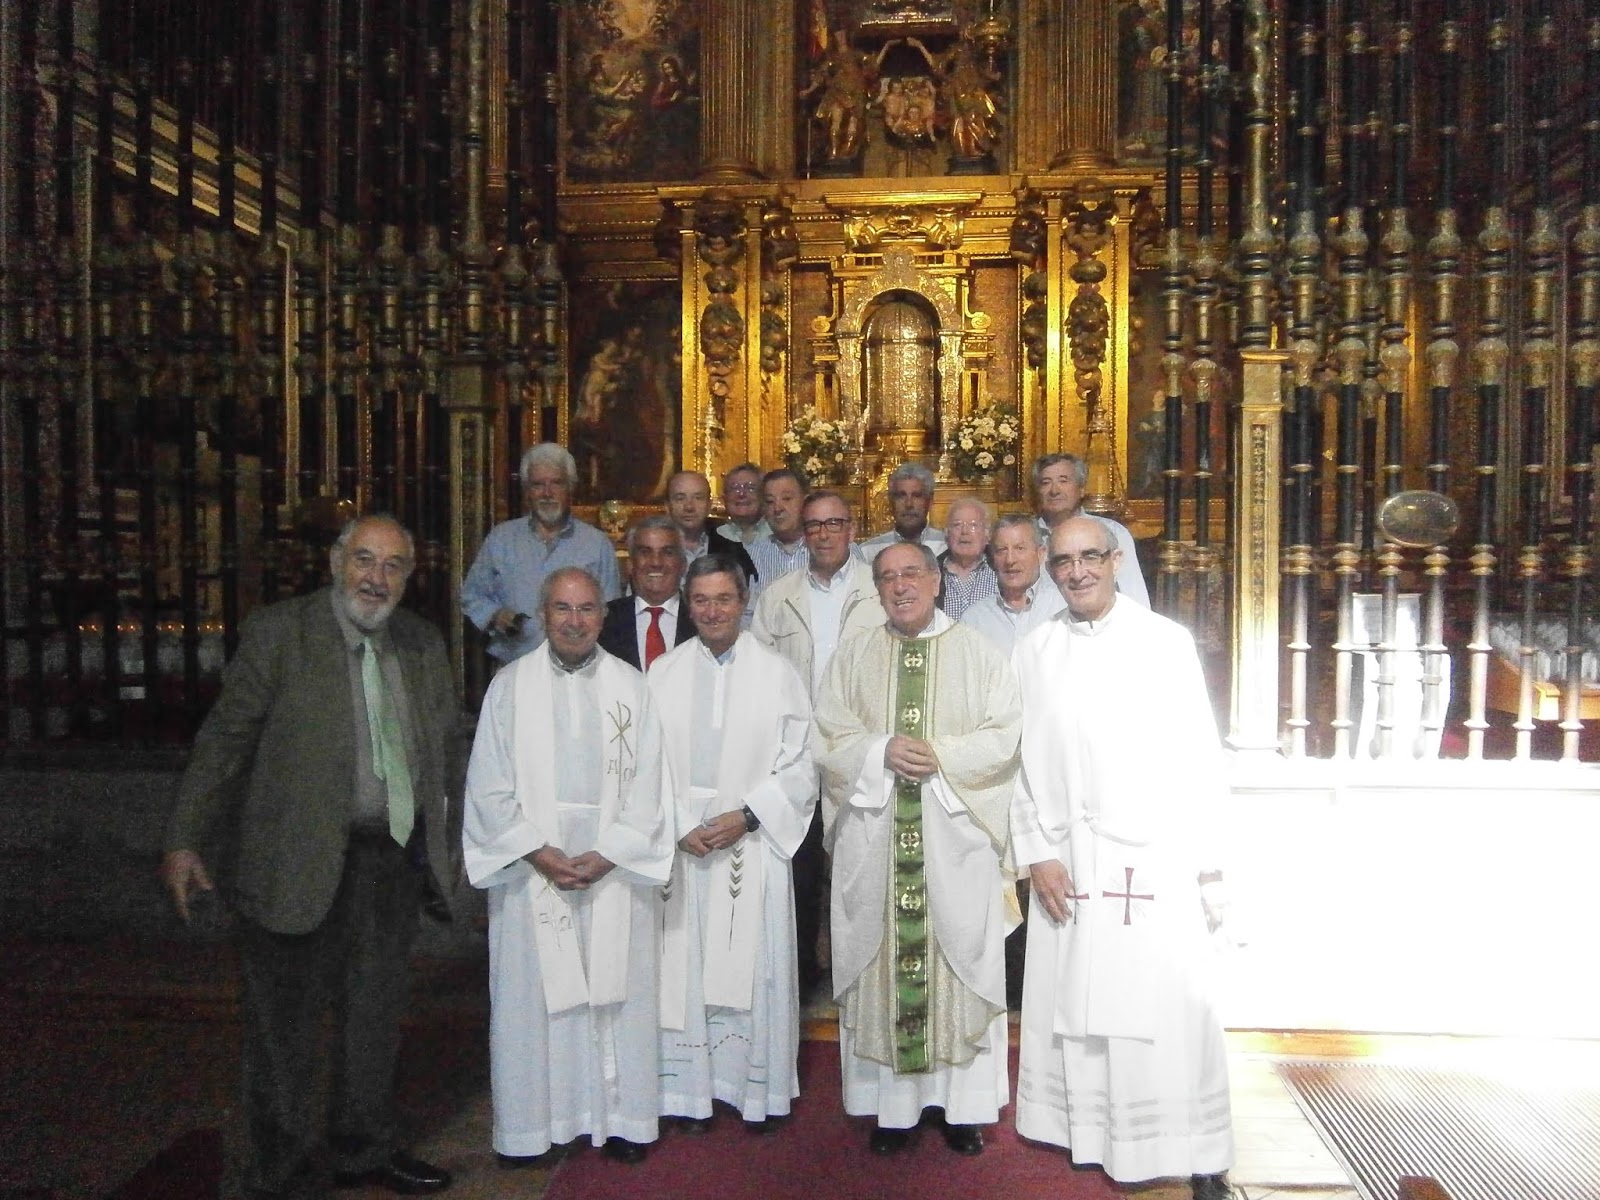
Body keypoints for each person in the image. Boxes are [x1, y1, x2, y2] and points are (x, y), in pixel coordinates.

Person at [161, 514, 459, 1199]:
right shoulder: (280, 633)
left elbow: (443, 754)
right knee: (283, 1033)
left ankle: (363, 1148)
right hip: (293, 859)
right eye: (364, 560)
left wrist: (445, 846)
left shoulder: (421, 643)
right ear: (335, 562)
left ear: (409, 577)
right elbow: (225, 740)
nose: (376, 578)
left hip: (389, 864)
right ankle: (277, 1173)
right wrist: (185, 837)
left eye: (392, 566)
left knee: (373, 1022)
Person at [1011, 517, 1234, 1200]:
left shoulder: (1164, 643)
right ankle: (1090, 1134)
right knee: (1078, 1010)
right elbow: (1016, 764)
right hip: (1068, 864)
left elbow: (1199, 756)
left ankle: (1194, 1151)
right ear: (1050, 570)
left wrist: (1209, 864)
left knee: (1165, 1013)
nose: (1076, 572)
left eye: (1089, 558)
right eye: (1063, 562)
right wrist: (1037, 853)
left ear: (1115, 561)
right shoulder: (1034, 650)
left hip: (1151, 860)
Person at [462, 567, 675, 1167]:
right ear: (542, 613)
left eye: (586, 609)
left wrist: (611, 852)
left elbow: (653, 785)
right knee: (533, 1003)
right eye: (562, 608)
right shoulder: (509, 688)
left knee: (617, 996)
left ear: (604, 617)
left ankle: (622, 1119)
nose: (575, 621)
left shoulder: (632, 686)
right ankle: (533, 1128)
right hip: (534, 870)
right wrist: (537, 851)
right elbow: (488, 785)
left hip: (614, 869)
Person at [814, 541, 1021, 1157]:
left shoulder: (978, 653)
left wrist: (942, 755)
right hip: (878, 841)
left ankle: (964, 1109)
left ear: (935, 581)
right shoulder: (854, 655)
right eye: (888, 578)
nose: (900, 586)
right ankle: (894, 1110)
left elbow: (1005, 735)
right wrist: (879, 750)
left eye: (911, 574)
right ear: (877, 590)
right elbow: (828, 735)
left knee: (959, 962)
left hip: (955, 844)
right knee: (883, 962)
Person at [652, 555, 817, 1130]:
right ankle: (690, 1093)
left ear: (744, 601)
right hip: (686, 852)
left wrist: (748, 815)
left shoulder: (777, 673)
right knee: (685, 970)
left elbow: (803, 766)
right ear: (687, 603)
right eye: (701, 600)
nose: (713, 611)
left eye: (724, 598)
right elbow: (642, 766)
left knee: (754, 973)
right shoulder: (662, 674)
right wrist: (678, 822)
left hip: (752, 844)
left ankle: (754, 1091)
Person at [751, 490, 887, 998]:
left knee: (862, 869)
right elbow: (760, 676)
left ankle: (864, 979)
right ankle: (804, 982)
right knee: (802, 872)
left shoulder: (878, 590)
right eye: (814, 525)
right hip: (798, 755)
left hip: (862, 750)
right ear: (803, 533)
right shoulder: (778, 596)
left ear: (852, 529)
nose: (824, 534)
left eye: (834, 524)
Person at [461, 443, 622, 662]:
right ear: (527, 491)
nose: (547, 493)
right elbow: (471, 595)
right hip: (515, 666)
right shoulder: (501, 539)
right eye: (538, 484)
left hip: (581, 667)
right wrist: (495, 615)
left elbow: (611, 611)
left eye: (556, 483)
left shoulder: (597, 544)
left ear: (571, 488)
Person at [1032, 452, 1150, 608]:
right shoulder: (1026, 537)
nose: (1054, 490)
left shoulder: (1112, 532)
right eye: (1046, 483)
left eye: (1063, 481)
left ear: (1081, 489)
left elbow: (1134, 594)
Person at [961, 513, 1065, 656]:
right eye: (1002, 550)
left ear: (1041, 554)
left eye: (1019, 548)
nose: (1010, 560)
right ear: (992, 558)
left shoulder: (1062, 607)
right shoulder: (975, 619)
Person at [599, 516, 695, 671]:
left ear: (683, 565)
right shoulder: (603, 620)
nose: (656, 562)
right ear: (630, 565)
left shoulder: (701, 618)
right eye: (645, 552)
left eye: (667, 552)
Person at [860, 462, 946, 557]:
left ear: (929, 502)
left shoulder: (946, 547)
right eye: (901, 496)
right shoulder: (868, 551)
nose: (909, 504)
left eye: (916, 496)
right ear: (891, 501)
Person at [747, 468, 812, 590]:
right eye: (770, 501)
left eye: (786, 498)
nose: (778, 508)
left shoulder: (826, 551)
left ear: (806, 502)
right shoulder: (751, 558)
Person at [936, 498, 997, 620]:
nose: (964, 531)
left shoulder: (1001, 571)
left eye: (973, 525)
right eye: (957, 525)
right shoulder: (931, 572)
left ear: (987, 535)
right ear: (947, 534)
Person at [715, 462, 771, 546]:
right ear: (724, 498)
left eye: (750, 488)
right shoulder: (715, 536)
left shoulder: (779, 534)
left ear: (764, 496)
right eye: (734, 488)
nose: (741, 494)